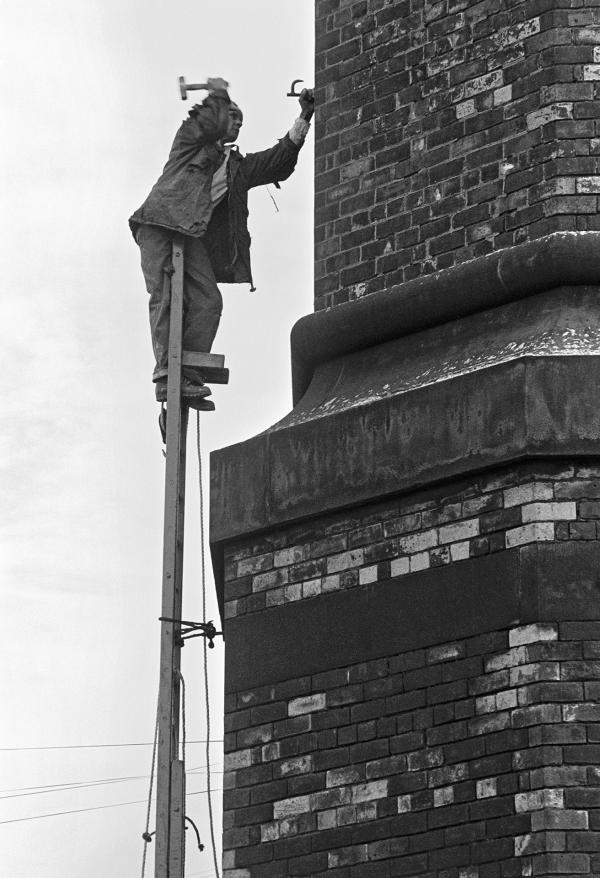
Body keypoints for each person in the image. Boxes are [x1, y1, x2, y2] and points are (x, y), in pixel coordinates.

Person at [129, 77, 314, 405]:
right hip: (158, 223)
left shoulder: (237, 167)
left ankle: (187, 374)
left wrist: (305, 117)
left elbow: (279, 161)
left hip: (190, 235)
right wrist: (219, 93)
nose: (237, 124)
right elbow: (207, 121)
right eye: (233, 117)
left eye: (241, 121)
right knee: (163, 297)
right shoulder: (191, 141)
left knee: (209, 301)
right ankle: (166, 375)